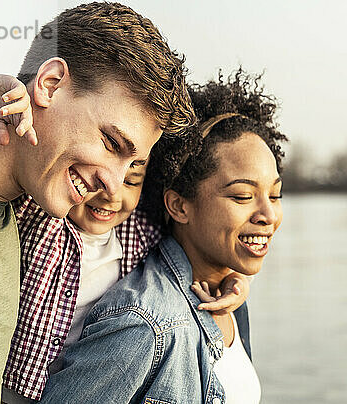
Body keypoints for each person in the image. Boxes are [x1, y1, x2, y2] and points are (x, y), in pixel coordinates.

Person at [0, 2, 194, 402]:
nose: (113, 185)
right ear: (50, 84)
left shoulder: (34, 209)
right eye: (111, 143)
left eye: (133, 165)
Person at [0, 73, 248, 403]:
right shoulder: (41, 214)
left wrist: (232, 279)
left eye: (132, 181)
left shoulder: (139, 229)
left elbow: (193, 246)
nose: (111, 192)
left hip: (79, 384)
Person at [39, 71, 287, 404]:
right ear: (179, 206)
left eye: (275, 195)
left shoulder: (228, 295)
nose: (268, 215)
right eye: (242, 196)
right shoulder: (143, 324)